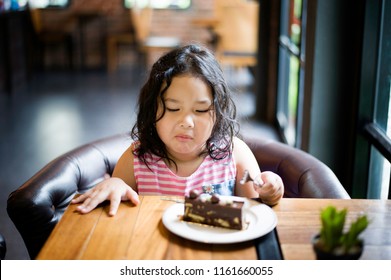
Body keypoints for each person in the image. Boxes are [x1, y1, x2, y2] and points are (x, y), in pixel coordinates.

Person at [72, 44, 284, 216]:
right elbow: (117, 199)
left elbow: (255, 210)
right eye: (173, 108)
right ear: (152, 110)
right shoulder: (137, 159)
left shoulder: (234, 154)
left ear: (217, 114)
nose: (187, 122)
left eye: (200, 110)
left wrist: (270, 191)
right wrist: (115, 184)